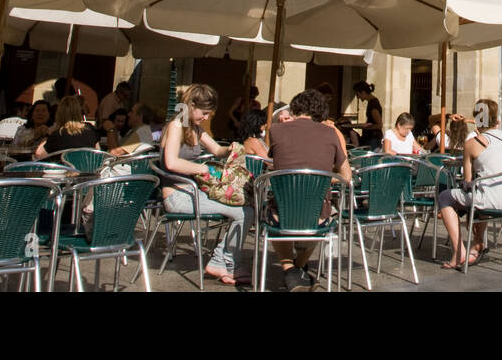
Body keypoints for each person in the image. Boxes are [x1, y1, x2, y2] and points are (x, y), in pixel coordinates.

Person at [156, 84, 252, 286]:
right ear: (191, 106)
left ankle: (225, 261)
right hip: (176, 195)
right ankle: (223, 261)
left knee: (247, 210)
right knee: (244, 213)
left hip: (192, 193)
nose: (207, 118)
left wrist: (234, 149)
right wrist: (202, 170)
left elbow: (216, 149)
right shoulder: (175, 127)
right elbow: (171, 162)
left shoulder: (193, 129)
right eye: (205, 113)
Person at [268, 88, 351, 291]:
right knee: (323, 214)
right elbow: (346, 176)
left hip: (282, 212)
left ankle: (290, 270)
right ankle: (297, 269)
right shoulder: (331, 132)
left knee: (275, 209)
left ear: (295, 107)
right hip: (317, 214)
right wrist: (319, 182)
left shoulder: (275, 130)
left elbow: (273, 162)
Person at [436, 98, 502, 270]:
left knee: (445, 196)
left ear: (477, 119)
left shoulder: (472, 143)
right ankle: (477, 242)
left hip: (494, 201)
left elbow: (467, 182)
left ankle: (459, 251)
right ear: (496, 117)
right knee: (484, 191)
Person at [34, 95, 99, 159]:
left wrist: (47, 135)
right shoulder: (90, 129)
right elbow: (98, 152)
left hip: (66, 168)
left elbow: (38, 155)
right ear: (78, 112)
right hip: (87, 168)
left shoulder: (58, 134)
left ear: (59, 114)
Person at [353, 82, 383, 148]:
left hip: (373, 139)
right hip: (371, 139)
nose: (357, 97)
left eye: (357, 94)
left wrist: (364, 126)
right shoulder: (371, 103)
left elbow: (379, 125)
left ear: (363, 92)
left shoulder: (373, 104)